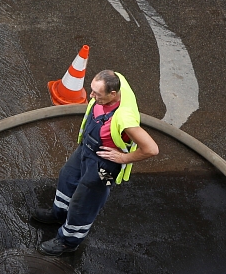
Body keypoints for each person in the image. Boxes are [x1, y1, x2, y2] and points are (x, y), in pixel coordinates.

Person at [32, 69, 159, 255]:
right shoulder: (115, 79)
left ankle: (68, 241)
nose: (91, 96)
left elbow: (151, 149)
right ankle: (59, 214)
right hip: (86, 149)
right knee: (67, 177)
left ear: (113, 94)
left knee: (84, 202)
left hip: (103, 165)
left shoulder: (124, 117)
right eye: (92, 90)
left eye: (97, 94)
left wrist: (123, 158)